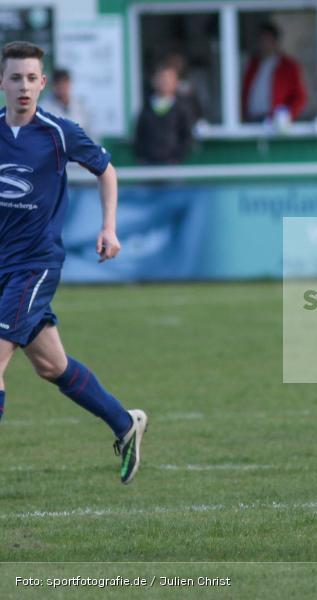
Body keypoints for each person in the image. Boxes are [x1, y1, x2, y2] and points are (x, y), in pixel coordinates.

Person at [0, 41, 148, 484]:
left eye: (31, 78)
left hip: (35, 265)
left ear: (43, 83)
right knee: (51, 366)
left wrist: (109, 227)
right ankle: (125, 423)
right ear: (1, 82)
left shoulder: (58, 132)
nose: (24, 86)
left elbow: (106, 170)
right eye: (15, 77)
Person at [240, 21, 307, 124]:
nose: (264, 44)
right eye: (261, 40)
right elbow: (243, 92)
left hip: (274, 123)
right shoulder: (252, 65)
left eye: (267, 40)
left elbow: (300, 97)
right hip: (251, 120)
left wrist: (287, 116)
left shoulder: (288, 67)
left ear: (275, 41)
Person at [133, 63, 194, 165]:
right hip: (148, 164)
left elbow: (187, 136)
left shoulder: (182, 108)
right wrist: (141, 156)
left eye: (169, 79)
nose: (165, 82)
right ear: (154, 81)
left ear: (175, 82)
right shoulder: (146, 107)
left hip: (172, 165)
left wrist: (178, 158)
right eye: (161, 79)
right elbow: (139, 133)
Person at [39, 68, 93, 138]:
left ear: (70, 84)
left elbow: (90, 133)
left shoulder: (80, 105)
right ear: (53, 86)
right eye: (59, 83)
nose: (62, 87)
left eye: (65, 82)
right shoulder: (43, 108)